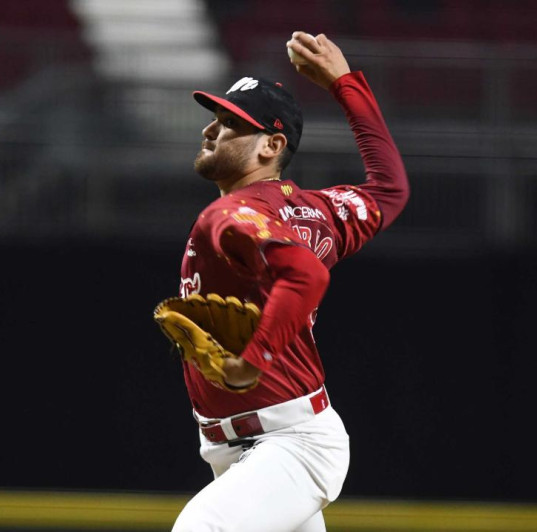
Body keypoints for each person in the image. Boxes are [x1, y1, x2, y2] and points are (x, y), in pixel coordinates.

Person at [170, 31, 410, 532]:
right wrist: (344, 84)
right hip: (248, 449)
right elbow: (389, 189)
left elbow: (305, 275)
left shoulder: (231, 215)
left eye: (232, 124)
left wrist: (251, 361)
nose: (212, 131)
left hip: (288, 446)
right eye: (215, 119)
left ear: (272, 145)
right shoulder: (317, 213)